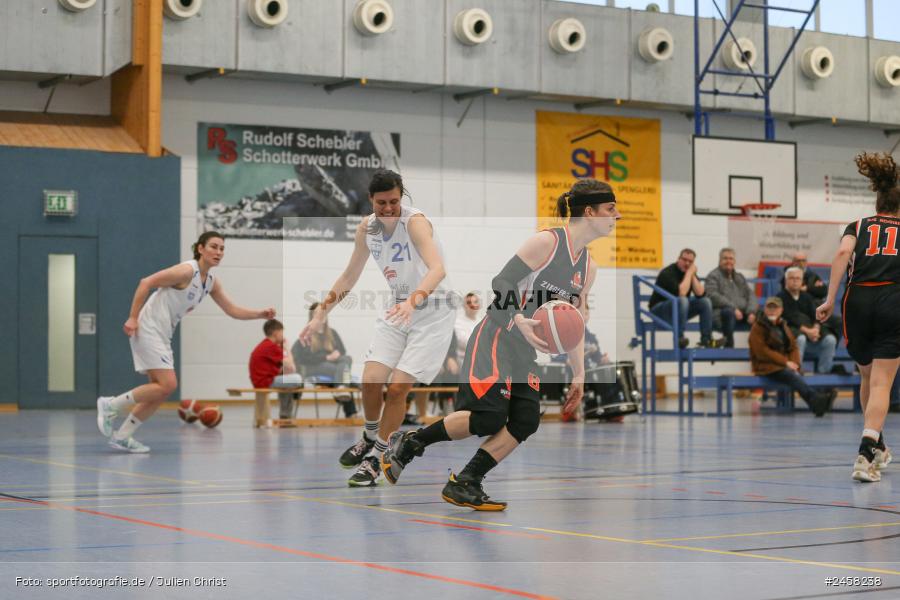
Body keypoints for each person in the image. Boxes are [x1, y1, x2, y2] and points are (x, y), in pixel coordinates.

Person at [381, 178, 619, 510]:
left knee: (526, 420)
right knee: (489, 417)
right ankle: (409, 443)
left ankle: (466, 481)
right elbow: (502, 281)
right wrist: (517, 318)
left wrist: (578, 374)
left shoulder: (588, 268)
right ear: (589, 212)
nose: (617, 216)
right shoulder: (548, 242)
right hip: (497, 334)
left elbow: (573, 325)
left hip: (524, 349)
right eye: (610, 209)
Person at [298, 169, 455, 487]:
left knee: (397, 389)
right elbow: (349, 276)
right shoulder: (366, 229)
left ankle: (377, 457)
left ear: (402, 197)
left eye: (394, 201)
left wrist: (413, 301)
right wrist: (321, 314)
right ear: (370, 200)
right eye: (381, 202)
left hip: (433, 310)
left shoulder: (415, 222)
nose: (388, 208)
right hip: (399, 307)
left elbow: (437, 269)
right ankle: (370, 436)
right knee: (370, 380)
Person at [96, 232, 275, 452]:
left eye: (222, 249)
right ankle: (110, 405)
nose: (219, 252)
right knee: (168, 385)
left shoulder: (211, 282)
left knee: (159, 391)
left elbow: (232, 310)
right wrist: (133, 317)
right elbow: (146, 282)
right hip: (149, 328)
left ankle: (123, 436)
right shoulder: (186, 271)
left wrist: (260, 314)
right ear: (200, 248)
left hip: (163, 334)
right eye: (214, 247)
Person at [817, 152, 900, 483]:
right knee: (882, 382)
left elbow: (842, 254)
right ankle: (865, 455)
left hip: (857, 300)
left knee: (867, 377)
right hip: (892, 299)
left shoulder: (858, 224)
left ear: (877, 201)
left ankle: (878, 445)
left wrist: (829, 299)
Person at [749, 297, 834, 417]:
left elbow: (793, 347)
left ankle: (816, 403)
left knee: (793, 374)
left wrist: (796, 364)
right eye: (769, 307)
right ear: (765, 309)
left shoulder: (783, 325)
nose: (772, 311)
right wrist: (785, 362)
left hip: (781, 366)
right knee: (791, 376)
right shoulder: (758, 327)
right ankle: (816, 400)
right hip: (765, 366)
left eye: (775, 308)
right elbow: (762, 352)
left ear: (781, 310)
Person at [292, 303, 356, 418]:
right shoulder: (307, 334)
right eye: (317, 313)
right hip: (313, 367)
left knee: (347, 360)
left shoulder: (332, 333)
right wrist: (326, 358)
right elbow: (304, 358)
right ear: (312, 316)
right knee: (343, 373)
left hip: (333, 364)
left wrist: (338, 353)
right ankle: (349, 407)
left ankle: (341, 389)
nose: (321, 315)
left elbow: (342, 350)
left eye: (323, 313)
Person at [649, 249, 721, 349]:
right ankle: (679, 338)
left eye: (690, 261)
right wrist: (689, 273)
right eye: (684, 260)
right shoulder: (668, 272)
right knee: (683, 300)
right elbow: (682, 293)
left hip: (678, 310)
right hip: (659, 311)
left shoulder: (689, 273)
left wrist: (692, 275)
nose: (687, 263)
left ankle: (706, 340)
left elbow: (701, 293)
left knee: (705, 302)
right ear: (678, 259)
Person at [779, 267, 838, 374]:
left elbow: (815, 315)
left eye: (798, 278)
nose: (795, 281)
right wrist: (808, 331)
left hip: (811, 339)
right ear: (786, 280)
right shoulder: (780, 297)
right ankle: (796, 373)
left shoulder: (806, 297)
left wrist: (816, 329)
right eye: (792, 278)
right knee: (801, 338)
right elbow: (789, 318)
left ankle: (823, 376)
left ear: (802, 281)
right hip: (791, 342)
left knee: (830, 340)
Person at [250, 319, 303, 419]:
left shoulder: (266, 345)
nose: (283, 335)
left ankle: (285, 415)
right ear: (276, 333)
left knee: (288, 383)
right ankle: (286, 414)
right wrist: (287, 348)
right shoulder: (271, 346)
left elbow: (286, 369)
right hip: (264, 382)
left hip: (261, 380)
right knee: (297, 378)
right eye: (282, 332)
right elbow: (291, 365)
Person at [705, 247, 757, 347]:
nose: (728, 261)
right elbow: (712, 295)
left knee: (763, 315)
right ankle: (728, 346)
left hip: (742, 314)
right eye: (725, 258)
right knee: (728, 312)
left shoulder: (739, 277)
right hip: (721, 315)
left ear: (734, 261)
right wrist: (733, 308)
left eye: (731, 258)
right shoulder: (713, 276)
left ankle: (759, 348)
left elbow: (751, 295)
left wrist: (751, 312)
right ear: (720, 260)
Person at [454, 292, 481, 363]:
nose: (472, 305)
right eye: (469, 302)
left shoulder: (481, 322)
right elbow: (465, 343)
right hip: (463, 360)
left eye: (475, 302)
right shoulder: (457, 322)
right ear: (464, 305)